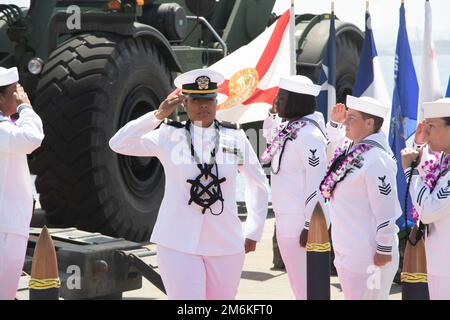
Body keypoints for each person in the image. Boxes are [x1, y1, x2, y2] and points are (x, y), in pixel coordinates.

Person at [109, 68, 269, 300]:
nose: (204, 105)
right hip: (177, 242)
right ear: (184, 103)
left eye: (209, 100)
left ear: (216, 102)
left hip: (225, 242)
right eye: (196, 100)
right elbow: (119, 143)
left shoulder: (235, 137)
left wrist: (254, 230)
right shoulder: (167, 135)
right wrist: (157, 115)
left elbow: (258, 184)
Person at [322, 95, 400, 300]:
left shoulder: (377, 158)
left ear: (369, 123)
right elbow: (330, 154)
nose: (346, 122)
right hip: (349, 250)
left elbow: (386, 208)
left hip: (369, 254)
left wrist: (383, 248)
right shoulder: (353, 150)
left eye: (352, 118)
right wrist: (334, 124)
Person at [262, 75, 328, 300]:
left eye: (281, 97)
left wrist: (311, 225)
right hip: (285, 218)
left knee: (307, 287)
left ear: (296, 101)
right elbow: (269, 137)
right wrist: (272, 114)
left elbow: (317, 184)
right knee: (298, 284)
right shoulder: (291, 127)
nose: (277, 102)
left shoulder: (310, 135)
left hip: (301, 221)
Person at [0, 67, 44, 300]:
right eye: (13, 92)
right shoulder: (3, 129)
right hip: (6, 226)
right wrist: (25, 107)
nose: (18, 95)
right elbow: (31, 138)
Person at [401, 98, 450, 300]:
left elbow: (429, 211)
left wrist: (408, 172)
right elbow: (427, 168)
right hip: (439, 263)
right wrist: (419, 144)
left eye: (432, 126)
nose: (427, 131)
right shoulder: (444, 160)